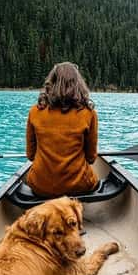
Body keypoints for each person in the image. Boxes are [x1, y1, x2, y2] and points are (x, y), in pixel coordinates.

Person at [25, 62, 99, 197]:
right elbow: (91, 158)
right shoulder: (88, 113)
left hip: (40, 186)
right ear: (78, 84)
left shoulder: (35, 112)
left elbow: (31, 155)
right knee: (92, 178)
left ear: (51, 83)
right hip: (79, 186)